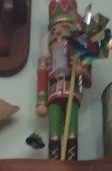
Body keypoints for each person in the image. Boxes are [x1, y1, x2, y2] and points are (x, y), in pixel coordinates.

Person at [36, 0, 89, 160]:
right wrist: (41, 102)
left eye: (65, 28)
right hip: (53, 95)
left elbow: (87, 80)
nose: (58, 34)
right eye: (54, 31)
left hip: (72, 92)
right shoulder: (45, 61)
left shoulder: (78, 57)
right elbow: (42, 80)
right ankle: (54, 159)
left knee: (71, 125)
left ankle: (71, 158)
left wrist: (81, 71)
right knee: (54, 127)